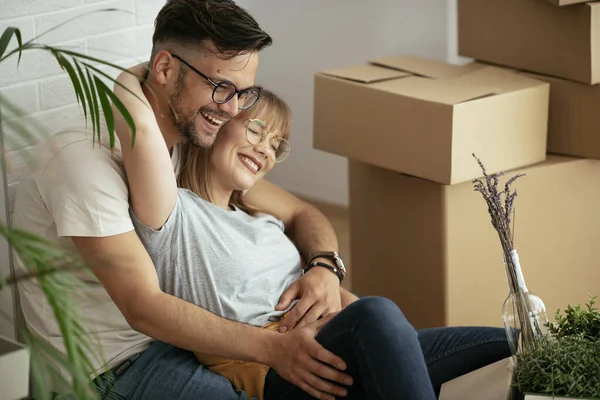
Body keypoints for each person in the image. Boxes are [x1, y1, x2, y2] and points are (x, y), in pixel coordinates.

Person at [10, 0, 510, 399]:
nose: (231, 112)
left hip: (241, 337)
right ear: (162, 70)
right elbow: (144, 307)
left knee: (508, 347)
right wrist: (275, 349)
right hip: (121, 362)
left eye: (242, 95)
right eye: (221, 87)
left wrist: (324, 266)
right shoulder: (85, 163)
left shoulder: (192, 144)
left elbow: (301, 212)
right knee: (376, 321)